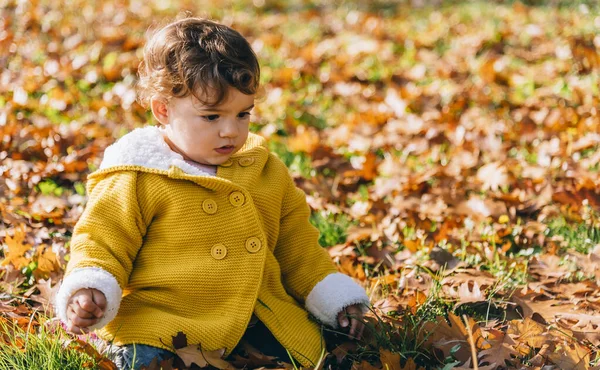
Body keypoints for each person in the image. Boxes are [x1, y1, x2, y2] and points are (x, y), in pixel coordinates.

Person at [54, 16, 370, 370]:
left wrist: (335, 297)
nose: (230, 131)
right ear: (163, 109)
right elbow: (103, 240)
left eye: (243, 114)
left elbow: (296, 247)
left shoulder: (264, 170)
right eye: (211, 117)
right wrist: (91, 287)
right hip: (164, 319)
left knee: (311, 354)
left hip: (254, 314)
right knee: (144, 361)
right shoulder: (136, 175)